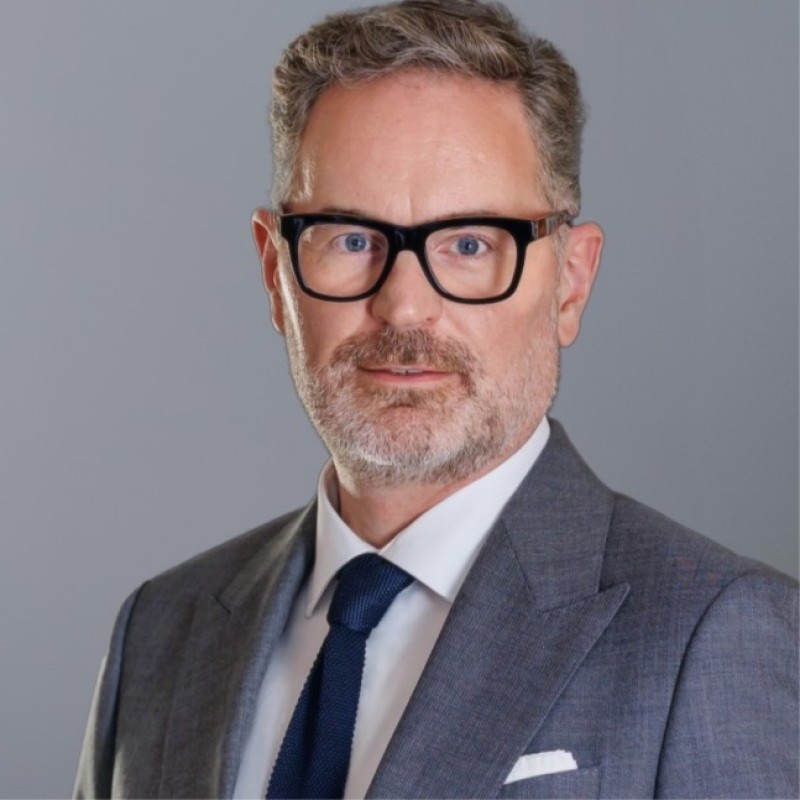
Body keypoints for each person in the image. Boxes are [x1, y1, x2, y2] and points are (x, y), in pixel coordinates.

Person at [73, 1, 798, 797]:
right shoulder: (161, 632)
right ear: (276, 273)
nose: (405, 306)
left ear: (571, 282)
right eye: (352, 239)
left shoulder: (711, 633)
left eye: (469, 244)